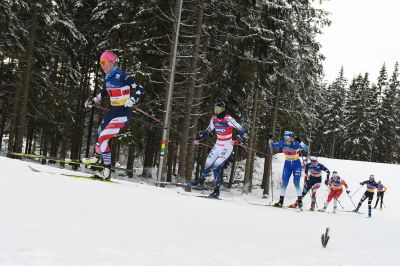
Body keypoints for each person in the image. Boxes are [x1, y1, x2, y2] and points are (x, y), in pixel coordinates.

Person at [83, 51, 144, 179]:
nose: (102, 66)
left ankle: (107, 172)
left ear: (111, 63)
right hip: (112, 112)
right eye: (100, 63)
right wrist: (93, 100)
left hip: (122, 114)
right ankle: (96, 158)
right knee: (99, 133)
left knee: (103, 138)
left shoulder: (122, 76)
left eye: (104, 63)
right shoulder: (108, 77)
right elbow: (104, 92)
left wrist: (132, 100)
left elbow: (140, 88)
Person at [195, 100, 247, 198]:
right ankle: (200, 182)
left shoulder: (228, 119)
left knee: (216, 166)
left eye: (218, 108)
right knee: (208, 162)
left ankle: (216, 190)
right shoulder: (214, 119)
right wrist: (198, 137)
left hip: (227, 147)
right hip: (218, 145)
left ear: (222, 109)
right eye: (215, 108)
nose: (216, 110)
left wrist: (239, 138)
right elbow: (208, 130)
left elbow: (241, 129)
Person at [269, 131, 308, 208]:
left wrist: (301, 142)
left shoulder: (296, 144)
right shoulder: (282, 143)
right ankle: (281, 201)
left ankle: (300, 201)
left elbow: (306, 149)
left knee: (296, 182)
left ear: (291, 138)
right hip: (287, 165)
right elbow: (271, 146)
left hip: (296, 165)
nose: (286, 139)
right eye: (285, 137)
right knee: (284, 183)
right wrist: (270, 138)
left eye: (288, 137)